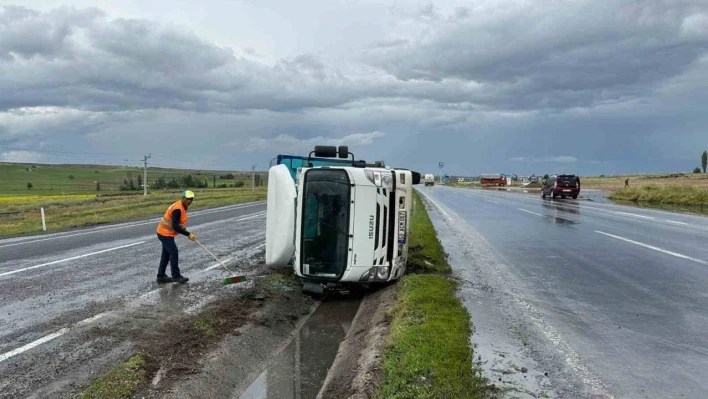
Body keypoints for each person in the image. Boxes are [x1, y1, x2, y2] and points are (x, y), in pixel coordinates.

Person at [155, 191, 196, 283]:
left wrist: (181, 227)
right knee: (173, 252)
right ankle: (176, 276)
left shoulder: (182, 206)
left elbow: (175, 223)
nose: (189, 201)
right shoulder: (177, 208)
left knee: (166, 255)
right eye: (187, 198)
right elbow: (175, 226)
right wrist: (188, 234)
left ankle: (161, 276)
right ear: (183, 198)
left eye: (191, 199)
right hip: (164, 233)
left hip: (167, 233)